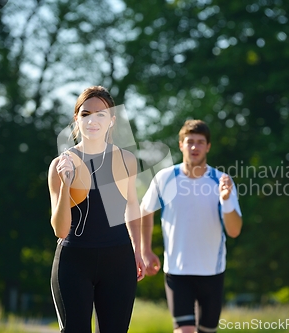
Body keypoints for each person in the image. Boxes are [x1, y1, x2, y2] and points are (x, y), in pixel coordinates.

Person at [48, 86, 145, 333]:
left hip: (119, 260)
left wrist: (138, 250)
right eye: (86, 113)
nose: (93, 120)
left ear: (111, 120)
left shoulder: (126, 160)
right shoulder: (61, 164)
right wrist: (67, 183)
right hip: (74, 261)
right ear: (76, 119)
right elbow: (60, 230)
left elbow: (132, 207)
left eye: (101, 114)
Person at [141, 119, 243, 333]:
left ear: (208, 146)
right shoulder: (165, 178)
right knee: (184, 330)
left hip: (212, 272)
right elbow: (145, 210)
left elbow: (234, 231)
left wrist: (225, 200)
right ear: (181, 145)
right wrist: (146, 250)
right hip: (177, 271)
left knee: (207, 331)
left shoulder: (222, 181)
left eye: (200, 142)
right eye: (190, 142)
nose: (194, 147)